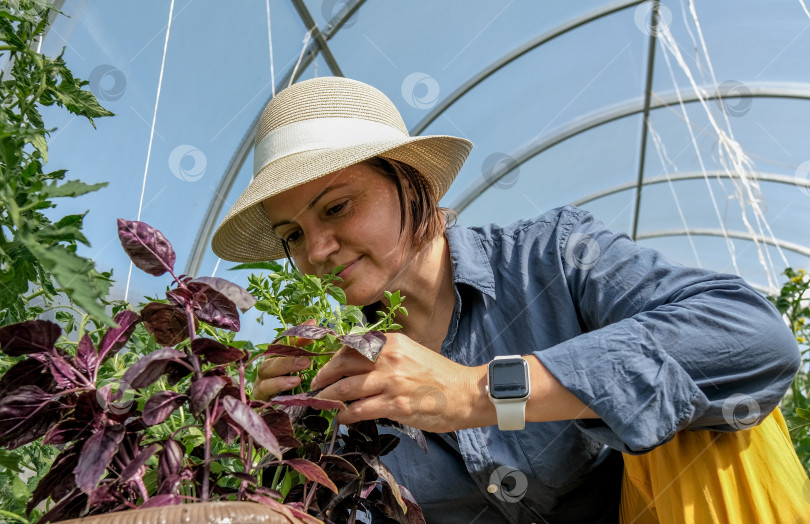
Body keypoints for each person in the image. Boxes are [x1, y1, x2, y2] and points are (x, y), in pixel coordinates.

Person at [211, 77, 809, 523]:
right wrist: (280, 439)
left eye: (337, 207)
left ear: (409, 181)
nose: (316, 250)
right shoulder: (345, 376)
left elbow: (749, 336)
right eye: (291, 235)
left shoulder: (551, 257)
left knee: (707, 406)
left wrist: (476, 393)